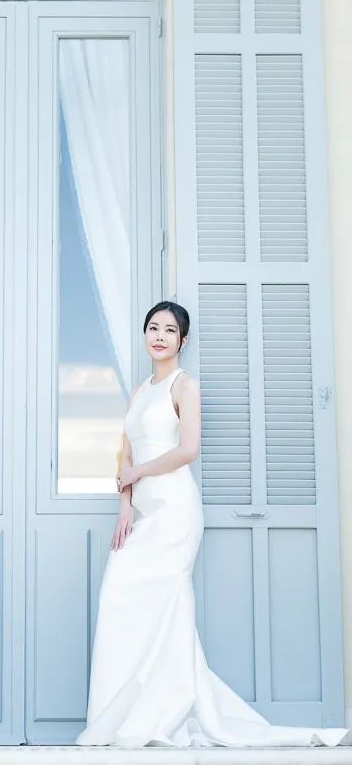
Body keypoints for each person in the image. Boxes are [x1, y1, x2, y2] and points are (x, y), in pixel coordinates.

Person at [76, 300, 349, 748]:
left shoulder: (186, 387)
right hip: (142, 513)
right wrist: (125, 505)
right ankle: (120, 715)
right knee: (121, 601)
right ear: (145, 335)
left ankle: (167, 710)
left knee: (167, 607)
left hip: (176, 513)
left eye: (169, 329)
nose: (159, 335)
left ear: (182, 340)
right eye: (153, 327)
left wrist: (138, 474)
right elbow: (126, 453)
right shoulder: (138, 391)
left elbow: (188, 450)